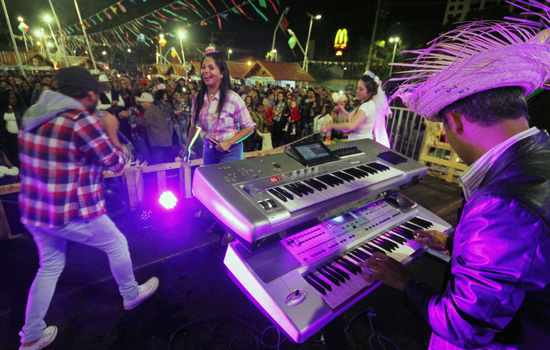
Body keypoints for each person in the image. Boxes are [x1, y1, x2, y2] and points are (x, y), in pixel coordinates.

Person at [360, 6, 550, 349]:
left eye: (443, 125)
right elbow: (527, 258)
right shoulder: (542, 154)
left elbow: (462, 326)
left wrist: (403, 280)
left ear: (456, 122)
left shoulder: (502, 203)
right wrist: (452, 243)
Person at [17, 66, 159, 350]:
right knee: (117, 243)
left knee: (50, 265)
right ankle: (130, 294)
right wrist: (112, 131)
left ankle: (31, 334)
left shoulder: (34, 114)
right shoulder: (80, 121)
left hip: (35, 208)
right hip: (70, 208)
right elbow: (116, 162)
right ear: (89, 94)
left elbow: (63, 160)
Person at [182, 50, 255, 165]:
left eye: (211, 68)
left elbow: (249, 127)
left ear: (221, 73)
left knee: (225, 182)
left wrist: (229, 142)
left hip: (230, 152)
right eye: (203, 67)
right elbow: (194, 126)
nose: (206, 71)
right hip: (208, 151)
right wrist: (187, 149)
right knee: (211, 181)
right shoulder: (198, 98)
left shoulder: (233, 98)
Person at [323, 72, 390, 147]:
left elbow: (351, 126)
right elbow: (358, 120)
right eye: (357, 88)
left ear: (370, 92)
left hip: (360, 144)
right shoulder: (370, 104)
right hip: (362, 143)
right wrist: (344, 112)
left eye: (361, 89)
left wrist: (331, 126)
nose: (357, 91)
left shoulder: (366, 106)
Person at [135, 92, 172, 165]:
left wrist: (133, 119)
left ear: (148, 102)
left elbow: (145, 122)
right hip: (164, 139)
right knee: (164, 161)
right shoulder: (155, 109)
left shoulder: (149, 111)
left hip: (158, 140)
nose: (141, 104)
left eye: (143, 102)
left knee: (158, 162)